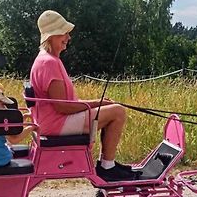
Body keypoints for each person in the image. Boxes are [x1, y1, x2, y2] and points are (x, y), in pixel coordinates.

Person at [30, 10, 134, 182]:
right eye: (64, 33)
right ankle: (107, 167)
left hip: (51, 121)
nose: (68, 38)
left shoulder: (47, 60)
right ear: (52, 36)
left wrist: (98, 104)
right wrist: (96, 103)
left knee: (112, 109)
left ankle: (108, 164)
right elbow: (62, 107)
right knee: (118, 112)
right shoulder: (49, 63)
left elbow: (64, 104)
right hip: (56, 124)